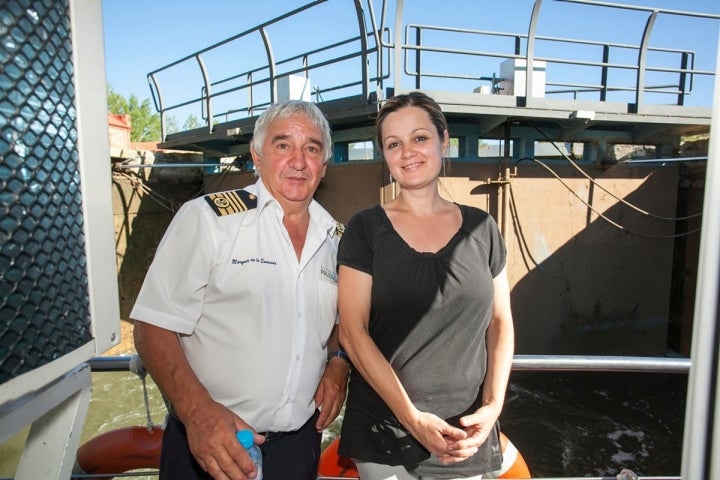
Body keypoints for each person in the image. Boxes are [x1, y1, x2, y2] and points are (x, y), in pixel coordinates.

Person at [131, 100, 350, 480]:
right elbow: (152, 327)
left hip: (299, 447)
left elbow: (335, 323)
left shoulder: (337, 239)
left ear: (324, 165)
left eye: (312, 148)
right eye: (283, 145)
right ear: (257, 156)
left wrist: (339, 361)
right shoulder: (208, 219)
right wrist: (198, 414)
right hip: (210, 444)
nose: (298, 161)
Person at [336, 91, 515, 480]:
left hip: (462, 432)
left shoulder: (483, 229)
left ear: (443, 140)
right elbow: (352, 332)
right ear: (383, 155)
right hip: (384, 428)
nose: (407, 152)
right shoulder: (364, 230)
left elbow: (501, 324)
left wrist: (492, 405)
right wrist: (413, 420)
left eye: (420, 138)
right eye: (393, 144)